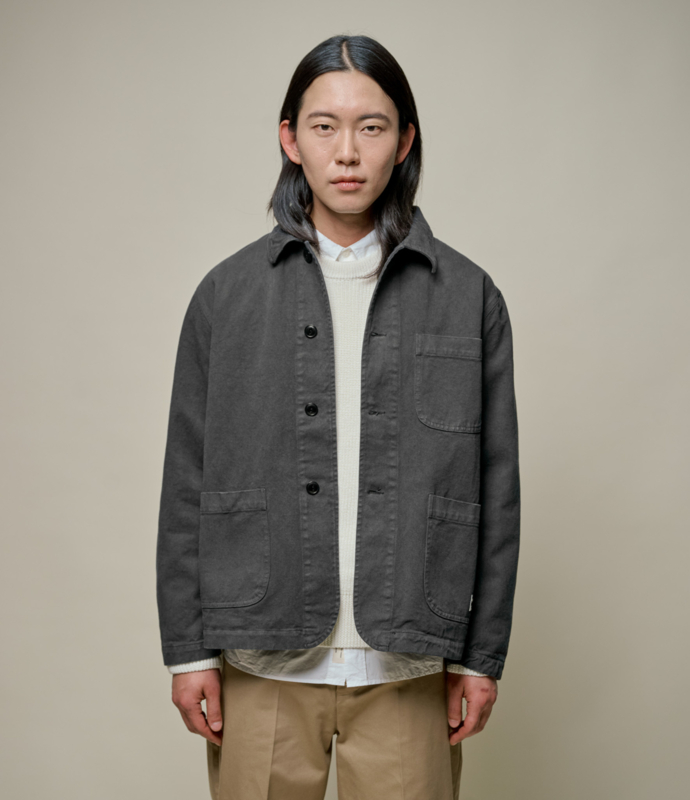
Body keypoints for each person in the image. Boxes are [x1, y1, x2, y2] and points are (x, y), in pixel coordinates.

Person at [156, 33, 520, 800]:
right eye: (325, 127)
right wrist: (188, 652)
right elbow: (187, 482)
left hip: (408, 667)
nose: (347, 152)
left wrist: (481, 656)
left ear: (405, 141)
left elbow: (495, 490)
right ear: (291, 139)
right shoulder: (225, 296)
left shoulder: (468, 296)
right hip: (262, 660)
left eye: (371, 127)